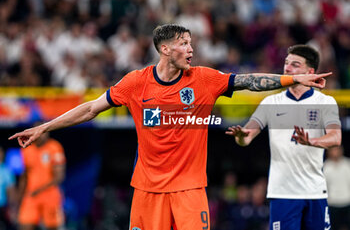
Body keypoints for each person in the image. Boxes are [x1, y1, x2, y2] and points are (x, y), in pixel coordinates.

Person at [9, 25, 331, 230]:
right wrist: (43, 127)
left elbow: (249, 81)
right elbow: (92, 108)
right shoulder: (136, 83)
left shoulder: (204, 79)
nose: (191, 50)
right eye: (184, 44)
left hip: (190, 191)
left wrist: (292, 79)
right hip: (147, 191)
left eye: (191, 44)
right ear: (165, 49)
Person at [226, 44, 342, 230]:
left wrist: (311, 142)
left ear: (310, 71)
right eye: (286, 63)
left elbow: (336, 138)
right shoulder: (271, 102)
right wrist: (241, 136)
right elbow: (246, 137)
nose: (287, 68)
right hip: (283, 193)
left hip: (315, 191)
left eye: (295, 65)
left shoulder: (325, 102)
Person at [17, 124, 66, 230]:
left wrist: (39, 190)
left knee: (52, 227)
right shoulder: (26, 150)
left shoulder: (54, 147)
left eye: (44, 132)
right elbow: (24, 176)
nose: (42, 136)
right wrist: (19, 197)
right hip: (31, 195)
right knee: (25, 225)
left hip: (49, 194)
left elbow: (59, 176)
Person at [323, 146, 350, 230]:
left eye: (337, 149)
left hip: (347, 202)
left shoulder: (348, 164)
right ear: (328, 152)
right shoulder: (325, 167)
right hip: (332, 203)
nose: (335, 152)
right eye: (333, 150)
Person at [0, 147, 16, 230]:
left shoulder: (6, 171)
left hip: (2, 207)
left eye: (1, 152)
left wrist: (12, 209)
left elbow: (11, 191)